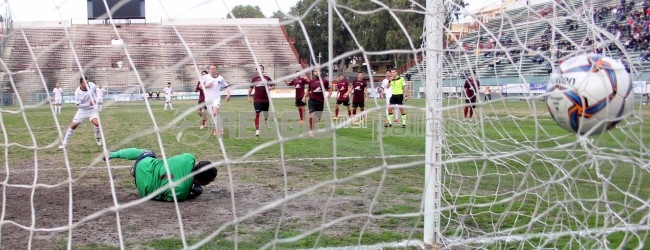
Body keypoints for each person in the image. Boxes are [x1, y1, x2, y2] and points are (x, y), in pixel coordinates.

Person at [104, 148, 217, 202]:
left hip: (145, 165)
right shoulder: (182, 192)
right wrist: (194, 192)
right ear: (203, 180)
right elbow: (166, 197)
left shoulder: (188, 158)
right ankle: (136, 172)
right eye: (210, 181)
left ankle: (113, 154)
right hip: (144, 190)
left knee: (148, 153)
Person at [59, 77, 102, 148]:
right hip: (82, 111)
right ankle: (64, 144)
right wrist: (89, 104)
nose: (87, 84)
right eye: (85, 83)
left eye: (87, 82)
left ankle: (97, 136)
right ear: (81, 84)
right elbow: (78, 105)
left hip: (92, 110)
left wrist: (95, 100)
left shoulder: (92, 85)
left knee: (97, 123)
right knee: (73, 126)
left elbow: (95, 92)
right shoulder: (77, 92)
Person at [201, 64, 231, 136]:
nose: (212, 70)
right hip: (208, 99)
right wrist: (206, 86)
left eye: (214, 69)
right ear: (209, 70)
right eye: (211, 69)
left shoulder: (221, 78)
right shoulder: (205, 77)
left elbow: (227, 86)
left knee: (214, 112)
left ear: (216, 69)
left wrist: (228, 94)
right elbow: (200, 86)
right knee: (212, 114)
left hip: (216, 98)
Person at [247, 65, 275, 137]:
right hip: (257, 99)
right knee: (257, 113)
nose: (260, 70)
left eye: (261, 69)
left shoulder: (267, 78)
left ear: (263, 70)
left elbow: (273, 86)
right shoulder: (254, 79)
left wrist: (270, 88)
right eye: (258, 69)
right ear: (257, 71)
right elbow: (251, 88)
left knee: (266, 114)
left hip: (265, 99)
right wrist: (248, 96)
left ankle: (265, 120)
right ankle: (257, 130)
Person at [303, 69, 331, 138]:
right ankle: (312, 132)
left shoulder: (324, 81)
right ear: (313, 73)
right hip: (312, 101)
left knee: (317, 119)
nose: (317, 72)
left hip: (320, 102)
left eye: (318, 71)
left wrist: (328, 97)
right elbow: (308, 90)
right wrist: (304, 97)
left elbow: (330, 90)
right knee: (312, 116)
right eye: (315, 71)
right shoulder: (311, 81)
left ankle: (311, 125)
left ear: (320, 72)